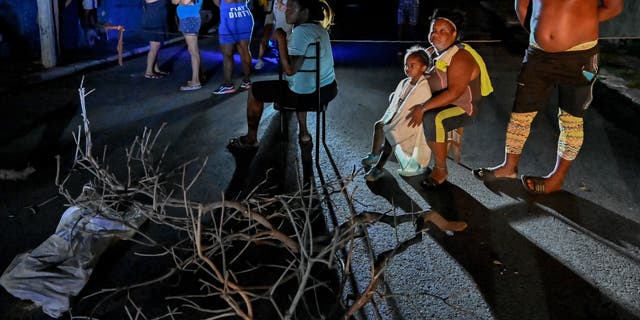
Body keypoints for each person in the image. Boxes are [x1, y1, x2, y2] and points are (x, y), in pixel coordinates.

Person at [472, 0, 624, 194]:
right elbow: (522, 5)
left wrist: (580, 23)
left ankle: (556, 179)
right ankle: (509, 167)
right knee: (521, 115)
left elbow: (613, 7)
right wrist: (539, 31)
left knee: (572, 120)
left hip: (580, 56)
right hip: (538, 54)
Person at [227, 0, 337, 149]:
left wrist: (281, 40)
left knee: (254, 90)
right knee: (300, 82)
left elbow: (290, 70)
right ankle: (304, 133)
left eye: (292, 7)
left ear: (305, 11)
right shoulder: (318, 28)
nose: (286, 10)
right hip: (326, 89)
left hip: (308, 95)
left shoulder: (301, 32)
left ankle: (251, 138)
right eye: (287, 6)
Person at [406, 9, 493, 188]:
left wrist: (423, 107)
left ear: (454, 34)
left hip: (463, 107)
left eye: (442, 31)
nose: (435, 35)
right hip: (443, 99)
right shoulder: (435, 51)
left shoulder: (461, 57)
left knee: (433, 118)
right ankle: (410, 154)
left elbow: (454, 93)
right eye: (433, 30)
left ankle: (440, 169)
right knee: (402, 103)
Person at [361, 46, 432, 181]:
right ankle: (374, 154)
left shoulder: (423, 87)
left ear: (423, 68)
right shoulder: (406, 82)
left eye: (412, 65)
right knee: (379, 125)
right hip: (397, 116)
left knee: (390, 135)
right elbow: (397, 101)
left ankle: (378, 168)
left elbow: (412, 107)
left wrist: (394, 120)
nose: (408, 68)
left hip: (409, 121)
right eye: (406, 65)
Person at [212, 0, 254, 94]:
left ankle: (228, 85)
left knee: (227, 54)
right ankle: (247, 81)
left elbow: (218, 2)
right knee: (245, 50)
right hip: (244, 15)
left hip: (229, 18)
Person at [173, 0, 203, 91]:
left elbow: (185, 2)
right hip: (186, 19)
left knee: (193, 51)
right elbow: (174, 2)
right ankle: (198, 77)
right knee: (192, 50)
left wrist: (180, 2)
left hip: (190, 19)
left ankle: (196, 81)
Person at [255, 0, 293, 70]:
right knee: (283, 34)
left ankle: (260, 59)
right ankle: (285, 64)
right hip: (275, 6)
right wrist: (279, 2)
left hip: (273, 6)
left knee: (279, 34)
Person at [142, 0, 170, 79]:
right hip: (154, 19)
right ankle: (148, 71)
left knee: (156, 45)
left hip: (158, 18)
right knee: (155, 46)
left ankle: (155, 69)